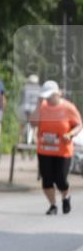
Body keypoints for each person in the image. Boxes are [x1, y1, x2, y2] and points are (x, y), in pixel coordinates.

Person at [29, 81, 81, 215]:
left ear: (58, 94)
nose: (48, 99)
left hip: (63, 150)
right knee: (46, 180)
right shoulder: (42, 106)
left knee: (61, 180)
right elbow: (33, 123)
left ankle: (66, 196)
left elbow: (78, 125)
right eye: (45, 96)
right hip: (44, 149)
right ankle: (53, 205)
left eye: (50, 96)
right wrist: (38, 104)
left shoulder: (68, 107)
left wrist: (70, 134)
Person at [17, 74, 42, 148]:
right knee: (36, 124)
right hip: (34, 110)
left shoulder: (24, 88)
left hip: (25, 109)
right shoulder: (39, 89)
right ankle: (34, 137)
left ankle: (20, 140)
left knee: (22, 124)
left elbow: (21, 99)